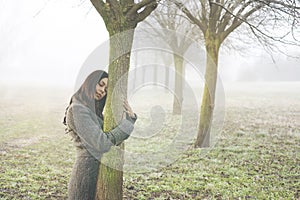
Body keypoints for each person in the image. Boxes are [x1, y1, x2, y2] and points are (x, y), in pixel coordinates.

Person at [63, 70, 137, 200]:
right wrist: (128, 124)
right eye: (101, 84)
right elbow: (102, 143)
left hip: (99, 174)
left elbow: (111, 136)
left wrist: (130, 117)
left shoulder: (93, 112)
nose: (103, 90)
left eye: (106, 89)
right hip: (86, 177)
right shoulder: (77, 110)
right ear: (90, 83)